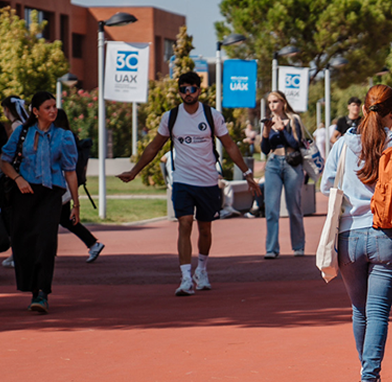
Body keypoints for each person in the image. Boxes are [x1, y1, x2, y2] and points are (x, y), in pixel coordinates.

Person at [120, 72, 260, 296]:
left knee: (205, 228)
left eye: (192, 89)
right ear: (179, 92)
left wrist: (247, 173)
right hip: (183, 180)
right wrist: (135, 171)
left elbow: (230, 145)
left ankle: (201, 270)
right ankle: (185, 278)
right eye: (184, 89)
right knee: (184, 224)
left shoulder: (211, 115)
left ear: (199, 90)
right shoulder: (171, 117)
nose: (188, 93)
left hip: (207, 181)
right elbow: (154, 147)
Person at [320, 84, 392, 382]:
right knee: (378, 311)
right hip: (385, 233)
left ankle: (368, 375)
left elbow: (328, 184)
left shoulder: (342, 145)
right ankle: (370, 381)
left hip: (348, 237)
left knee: (360, 310)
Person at [0, 92, 79, 313]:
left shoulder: (64, 136)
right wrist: (18, 179)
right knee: (24, 243)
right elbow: (4, 161)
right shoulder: (22, 133)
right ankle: (31, 286)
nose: (53, 110)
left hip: (50, 195)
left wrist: (76, 204)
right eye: (47, 107)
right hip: (23, 195)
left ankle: (41, 293)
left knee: (45, 242)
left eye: (54, 106)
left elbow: (70, 172)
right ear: (36, 111)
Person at [52, 109, 104, 262]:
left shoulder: (61, 138)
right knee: (63, 219)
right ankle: (92, 243)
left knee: (54, 219)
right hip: (66, 184)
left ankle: (49, 254)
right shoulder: (69, 136)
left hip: (61, 184)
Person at [260, 91, 307, 258]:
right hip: (273, 163)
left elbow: (296, 142)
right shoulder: (267, 121)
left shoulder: (293, 119)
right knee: (271, 209)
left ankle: (299, 246)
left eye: (275, 101)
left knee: (294, 207)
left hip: (291, 164)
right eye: (270, 102)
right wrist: (266, 131)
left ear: (283, 102)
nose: (272, 105)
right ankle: (271, 248)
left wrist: (282, 130)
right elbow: (264, 149)